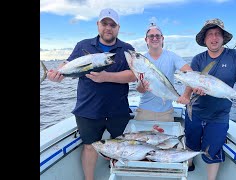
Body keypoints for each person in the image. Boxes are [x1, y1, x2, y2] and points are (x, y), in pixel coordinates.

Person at [46, 8, 136, 180]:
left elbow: (134, 75)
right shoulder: (83, 45)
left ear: (118, 28)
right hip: (88, 109)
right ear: (97, 25)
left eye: (112, 24)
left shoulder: (126, 49)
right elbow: (68, 65)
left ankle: (117, 174)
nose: (108, 28)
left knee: (119, 147)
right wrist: (57, 76)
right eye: (104, 23)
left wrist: (105, 77)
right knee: (89, 146)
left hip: (118, 109)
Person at [180, 18, 236, 179]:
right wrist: (187, 94)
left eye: (217, 34)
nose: (214, 38)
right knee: (191, 143)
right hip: (195, 112)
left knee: (213, 149)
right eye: (210, 34)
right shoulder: (198, 59)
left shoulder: (235, 56)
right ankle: (190, 164)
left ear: (223, 37)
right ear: (204, 39)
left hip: (219, 116)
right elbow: (191, 81)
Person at [133, 23, 192, 122]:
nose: (154, 38)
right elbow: (140, 89)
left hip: (166, 113)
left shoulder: (172, 57)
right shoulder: (141, 61)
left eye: (157, 36)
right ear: (146, 40)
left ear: (162, 38)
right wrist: (142, 87)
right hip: (144, 111)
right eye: (151, 36)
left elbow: (190, 74)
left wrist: (186, 95)